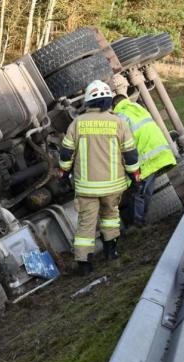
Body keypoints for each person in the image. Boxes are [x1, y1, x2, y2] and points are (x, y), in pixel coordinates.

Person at [59, 80, 140, 276]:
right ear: (108, 101)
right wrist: (135, 176)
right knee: (111, 217)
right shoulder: (119, 122)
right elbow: (130, 154)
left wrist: (64, 175)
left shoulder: (77, 123)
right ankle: (111, 251)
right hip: (113, 187)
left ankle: (84, 264)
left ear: (88, 102)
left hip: (87, 188)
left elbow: (65, 154)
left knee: (86, 224)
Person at [112, 94, 178, 225]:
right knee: (145, 191)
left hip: (145, 160)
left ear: (114, 106)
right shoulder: (137, 108)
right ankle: (141, 223)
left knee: (137, 193)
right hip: (160, 155)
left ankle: (137, 225)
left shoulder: (120, 117)